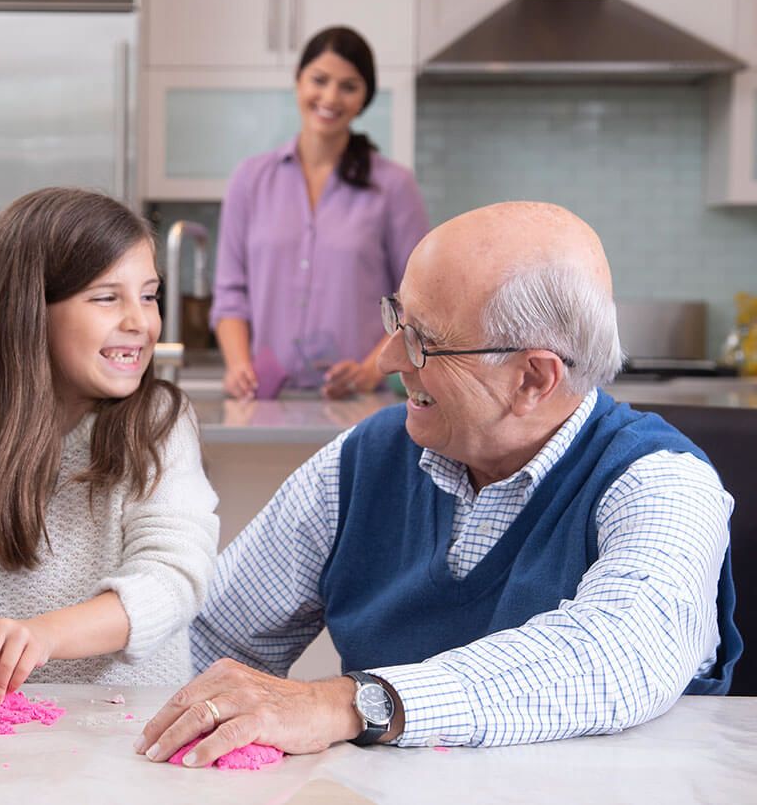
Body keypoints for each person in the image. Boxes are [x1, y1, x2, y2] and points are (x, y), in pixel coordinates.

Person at [137, 201, 741, 765]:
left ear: (533, 377)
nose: (389, 360)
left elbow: (620, 652)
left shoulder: (663, 483)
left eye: (424, 340)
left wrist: (352, 703)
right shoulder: (363, 459)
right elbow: (210, 634)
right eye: (397, 320)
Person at [0, 187, 220, 703]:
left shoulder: (158, 424)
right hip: (1, 729)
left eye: (149, 295)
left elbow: (172, 578)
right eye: (108, 297)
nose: (140, 321)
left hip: (133, 727)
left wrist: (45, 635)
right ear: (27, 312)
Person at [210, 26, 430, 400]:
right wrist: (237, 365)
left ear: (364, 98)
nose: (330, 96)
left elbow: (418, 301)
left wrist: (368, 370)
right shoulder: (250, 179)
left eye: (349, 86)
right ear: (298, 81)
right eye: (319, 80)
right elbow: (231, 293)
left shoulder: (394, 186)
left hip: (357, 403)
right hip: (266, 400)